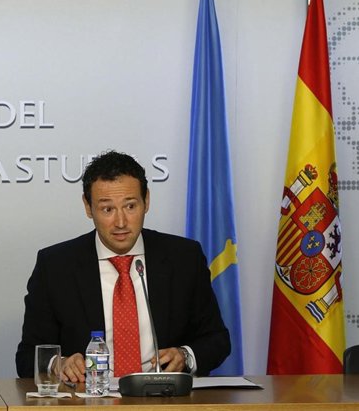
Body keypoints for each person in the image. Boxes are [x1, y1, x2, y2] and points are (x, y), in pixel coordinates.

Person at [15, 150, 230, 381]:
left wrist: (185, 356)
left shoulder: (184, 258)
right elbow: (27, 357)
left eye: (130, 206)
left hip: (164, 395)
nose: (120, 222)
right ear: (88, 207)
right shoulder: (56, 266)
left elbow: (216, 340)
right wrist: (59, 364)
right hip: (89, 397)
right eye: (107, 209)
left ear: (146, 201)